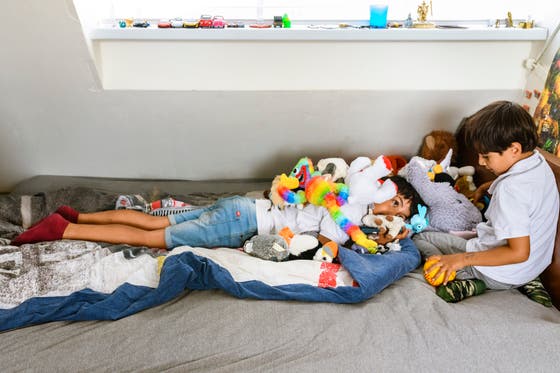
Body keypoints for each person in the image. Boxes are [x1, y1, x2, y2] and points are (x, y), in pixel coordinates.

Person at [11, 175, 424, 252]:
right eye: (398, 203)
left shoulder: (349, 192)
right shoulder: (352, 211)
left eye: (400, 213)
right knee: (148, 238)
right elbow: (331, 238)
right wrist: (378, 236)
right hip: (243, 222)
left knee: (156, 222)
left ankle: (76, 218)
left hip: (242, 206)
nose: (394, 214)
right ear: (389, 194)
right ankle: (62, 232)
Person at [414, 101, 559, 305]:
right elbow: (528, 196)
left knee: (422, 238)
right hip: (532, 267)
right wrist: (492, 184)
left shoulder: (511, 191)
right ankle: (528, 282)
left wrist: (459, 260)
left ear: (514, 149)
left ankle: (471, 281)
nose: (480, 162)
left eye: (486, 156)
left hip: (502, 271)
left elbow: (519, 252)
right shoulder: (538, 162)